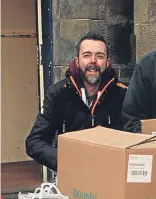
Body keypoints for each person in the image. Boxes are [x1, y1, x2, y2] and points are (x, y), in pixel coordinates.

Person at [25, 31, 127, 172]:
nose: (93, 61)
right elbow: (34, 142)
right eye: (87, 55)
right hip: (70, 174)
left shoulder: (123, 94)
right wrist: (65, 160)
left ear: (107, 63)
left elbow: (136, 138)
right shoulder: (58, 93)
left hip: (111, 173)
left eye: (100, 56)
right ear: (77, 61)